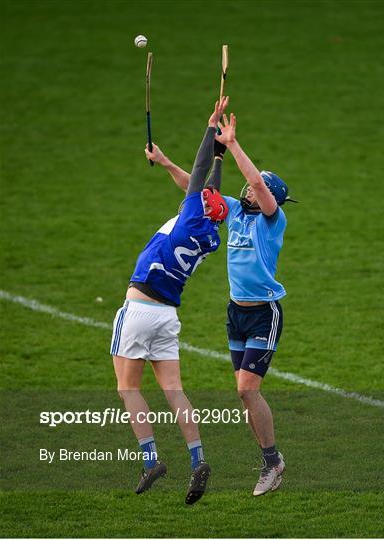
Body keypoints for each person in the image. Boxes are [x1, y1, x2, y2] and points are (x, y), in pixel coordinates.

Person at [146, 111, 297, 497]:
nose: (252, 187)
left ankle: (272, 462)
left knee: (248, 390)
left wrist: (230, 145)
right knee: (242, 392)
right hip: (236, 313)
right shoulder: (234, 212)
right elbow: (196, 195)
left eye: (259, 185)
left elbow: (257, 186)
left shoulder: (271, 220)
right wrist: (165, 163)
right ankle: (270, 459)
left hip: (265, 312)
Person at [111, 96, 229, 505]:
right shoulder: (210, 233)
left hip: (140, 307)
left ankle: (151, 460)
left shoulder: (191, 215)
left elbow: (198, 175)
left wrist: (210, 128)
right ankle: (198, 460)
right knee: (175, 389)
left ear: (199, 206)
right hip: (167, 317)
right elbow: (206, 183)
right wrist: (220, 150)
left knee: (128, 389)